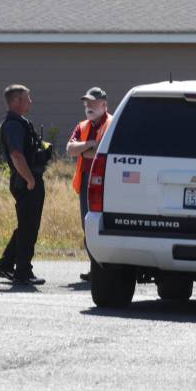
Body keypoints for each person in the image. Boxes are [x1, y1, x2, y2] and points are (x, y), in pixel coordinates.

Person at [0, 84, 49, 285]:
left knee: (27, 226)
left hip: (28, 179)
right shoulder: (13, 125)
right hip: (26, 181)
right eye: (27, 98)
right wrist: (30, 179)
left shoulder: (21, 122)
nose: (30, 101)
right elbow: (17, 155)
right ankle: (23, 272)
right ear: (16, 101)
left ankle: (6, 264)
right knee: (28, 228)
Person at [66, 87, 112, 282]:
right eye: (86, 103)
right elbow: (70, 149)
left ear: (104, 105)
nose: (88, 107)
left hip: (106, 181)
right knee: (88, 225)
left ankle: (104, 271)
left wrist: (84, 150)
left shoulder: (111, 123)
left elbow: (103, 154)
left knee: (102, 225)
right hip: (86, 180)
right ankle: (95, 268)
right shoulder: (83, 126)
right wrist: (90, 144)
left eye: (93, 103)